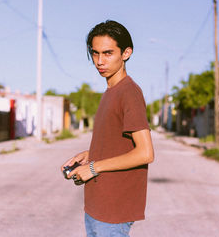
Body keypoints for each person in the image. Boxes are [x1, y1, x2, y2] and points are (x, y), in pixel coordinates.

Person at [61, 20, 154, 237]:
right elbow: (117, 144)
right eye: (95, 53)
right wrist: (88, 156)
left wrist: (94, 168)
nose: (100, 61)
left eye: (108, 53)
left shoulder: (129, 92)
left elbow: (145, 153)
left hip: (113, 211)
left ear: (126, 53)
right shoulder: (110, 92)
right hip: (97, 205)